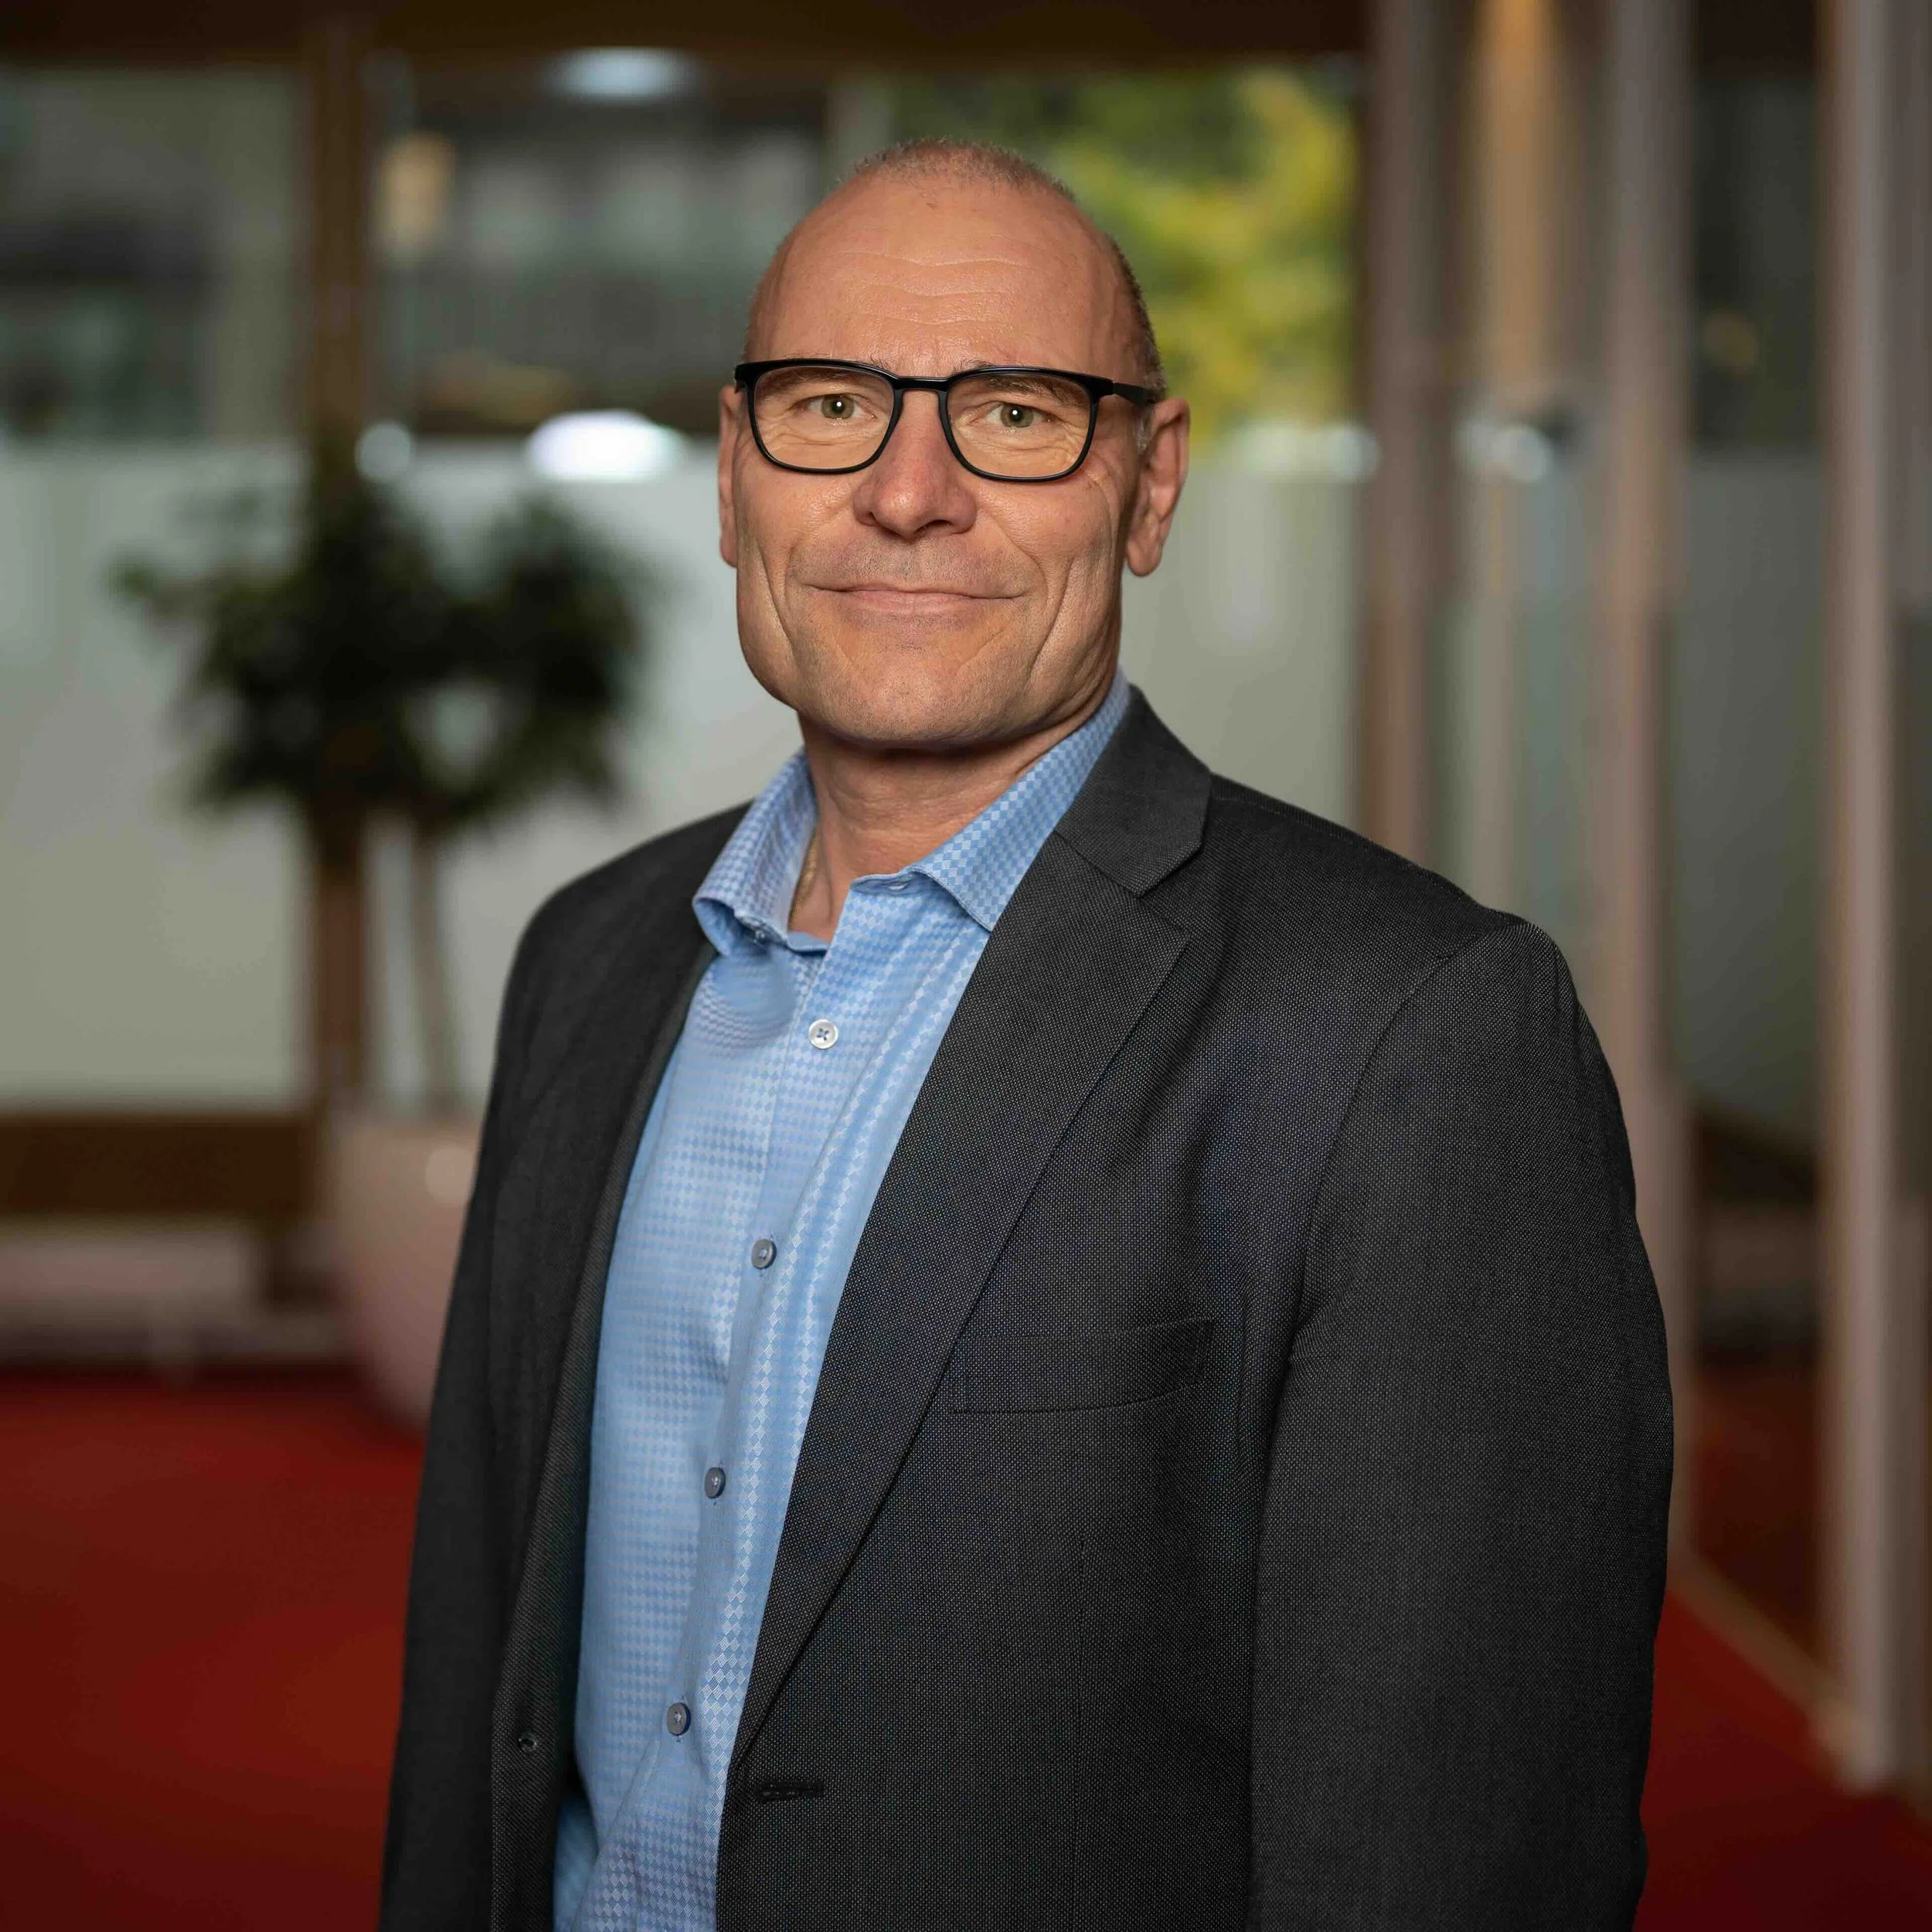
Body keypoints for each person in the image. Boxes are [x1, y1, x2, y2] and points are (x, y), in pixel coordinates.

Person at [380, 141, 1672, 1932]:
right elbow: (480, 1701)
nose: (907, 492)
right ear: (736, 474)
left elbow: (1444, 1856)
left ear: (1148, 487)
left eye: (1012, 412)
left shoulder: (1412, 1036)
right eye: (831, 404)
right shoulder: (589, 963)